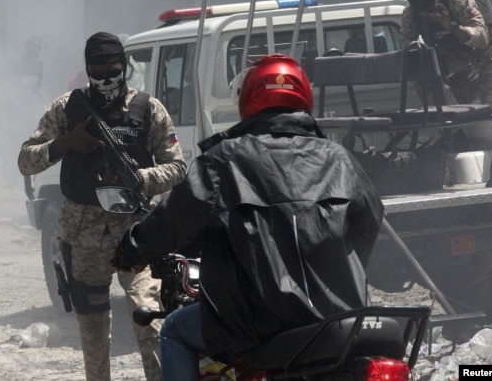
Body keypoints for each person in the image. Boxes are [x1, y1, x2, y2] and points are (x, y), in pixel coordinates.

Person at [112, 54, 385, 380]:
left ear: (248, 98)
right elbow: (368, 225)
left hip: (259, 320)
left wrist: (131, 249)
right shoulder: (339, 158)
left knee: (173, 329)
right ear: (304, 97)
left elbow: (172, 220)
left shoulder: (226, 158)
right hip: (343, 315)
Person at [18, 31, 187, 381]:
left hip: (137, 233)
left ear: (124, 67)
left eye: (113, 71)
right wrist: (65, 143)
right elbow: (26, 160)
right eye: (98, 72)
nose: (107, 80)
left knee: (149, 318)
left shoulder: (148, 109)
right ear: (88, 70)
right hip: (84, 237)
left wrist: (141, 178)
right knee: (93, 336)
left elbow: (176, 166)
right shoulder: (68, 108)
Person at [397, 0, 492, 112]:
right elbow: (406, 45)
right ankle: (450, 130)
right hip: (457, 54)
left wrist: (452, 27)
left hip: (490, 49)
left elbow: (482, 38)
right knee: (421, 73)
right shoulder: (411, 13)